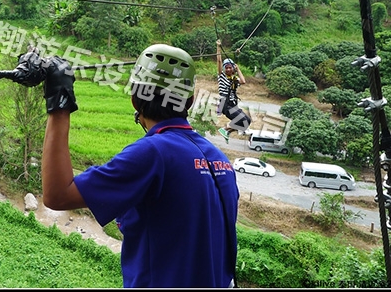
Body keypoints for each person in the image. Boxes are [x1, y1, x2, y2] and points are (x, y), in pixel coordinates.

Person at [40, 44, 239, 288]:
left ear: (135, 99)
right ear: (190, 100)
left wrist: (59, 103)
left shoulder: (153, 153)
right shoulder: (221, 161)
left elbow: (57, 195)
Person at [216, 39, 252, 142]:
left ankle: (227, 131)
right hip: (225, 105)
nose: (227, 69)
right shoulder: (221, 76)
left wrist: (238, 69)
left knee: (247, 121)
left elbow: (243, 81)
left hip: (233, 105)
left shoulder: (234, 79)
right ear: (224, 69)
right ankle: (225, 129)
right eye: (226, 68)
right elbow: (218, 61)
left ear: (232, 69)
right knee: (244, 120)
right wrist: (218, 47)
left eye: (229, 68)